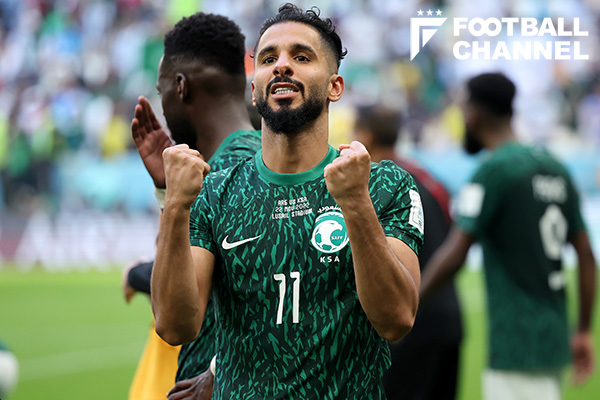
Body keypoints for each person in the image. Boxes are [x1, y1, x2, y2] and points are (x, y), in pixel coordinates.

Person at [151, 4, 425, 399]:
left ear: (334, 86)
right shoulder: (216, 192)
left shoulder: (382, 185)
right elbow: (175, 325)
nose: (281, 65)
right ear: (254, 88)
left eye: (301, 57)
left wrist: (355, 203)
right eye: (268, 59)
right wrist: (175, 206)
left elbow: (397, 320)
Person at [420, 72, 597, 400]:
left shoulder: (494, 171)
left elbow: (456, 251)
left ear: (474, 114)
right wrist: (584, 329)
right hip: (554, 337)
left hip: (516, 343)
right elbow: (586, 255)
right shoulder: (554, 166)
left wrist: (410, 303)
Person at [123, 12, 261, 400]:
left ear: (181, 87)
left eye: (162, 89)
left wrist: (219, 370)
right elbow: (175, 285)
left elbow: (282, 298)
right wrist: (168, 193)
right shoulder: (253, 163)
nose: (162, 104)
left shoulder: (229, 175)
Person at [353, 104, 463, 400]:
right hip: (449, 319)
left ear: (366, 135)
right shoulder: (430, 180)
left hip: (409, 324)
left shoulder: (378, 188)